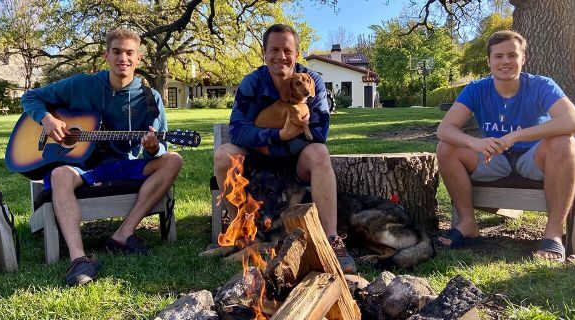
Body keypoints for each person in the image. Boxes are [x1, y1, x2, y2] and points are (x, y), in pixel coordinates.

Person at [21, 29, 183, 285]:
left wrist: (153, 148)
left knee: (174, 159)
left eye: (130, 53)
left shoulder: (151, 99)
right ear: (107, 55)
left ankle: (123, 233)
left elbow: (159, 145)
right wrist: (48, 119)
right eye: (117, 51)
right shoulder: (81, 84)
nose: (123, 58)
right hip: (82, 166)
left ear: (138, 58)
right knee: (60, 174)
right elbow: (30, 96)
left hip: (123, 166)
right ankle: (79, 259)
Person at [213, 23, 356, 273]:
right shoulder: (252, 83)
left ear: (297, 54)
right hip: (258, 160)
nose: (281, 56)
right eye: (274, 50)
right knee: (224, 154)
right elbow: (238, 130)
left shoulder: (313, 82)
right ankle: (240, 233)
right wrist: (278, 135)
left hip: (295, 160)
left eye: (288, 50)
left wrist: (275, 147)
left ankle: (332, 239)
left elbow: (319, 133)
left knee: (320, 153)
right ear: (264, 53)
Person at [436, 30, 575, 262]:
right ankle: (468, 224)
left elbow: (573, 122)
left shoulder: (541, 85)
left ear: (523, 58)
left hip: (535, 159)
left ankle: (553, 233)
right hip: (494, 159)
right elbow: (445, 129)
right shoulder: (476, 89)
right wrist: (476, 142)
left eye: (512, 55)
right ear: (489, 61)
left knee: (564, 142)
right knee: (446, 148)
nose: (505, 61)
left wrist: (517, 136)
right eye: (498, 56)